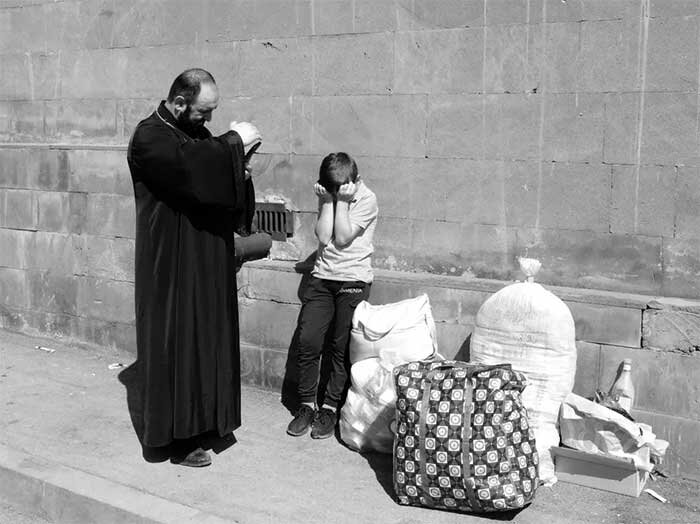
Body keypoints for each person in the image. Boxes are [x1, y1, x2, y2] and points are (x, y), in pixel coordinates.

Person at [126, 68, 261, 467]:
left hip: (207, 260)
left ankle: (208, 422)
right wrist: (234, 145)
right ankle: (177, 440)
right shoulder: (149, 136)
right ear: (180, 102)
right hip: (170, 264)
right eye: (204, 111)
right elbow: (191, 170)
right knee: (176, 344)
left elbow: (214, 172)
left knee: (208, 340)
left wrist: (241, 170)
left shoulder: (198, 135)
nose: (209, 120)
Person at [287, 152, 378, 439]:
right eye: (331, 189)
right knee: (308, 340)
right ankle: (305, 405)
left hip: (353, 279)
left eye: (341, 188)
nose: (337, 192)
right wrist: (327, 201)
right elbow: (324, 237)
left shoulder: (367, 198)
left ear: (356, 181)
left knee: (340, 348)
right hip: (322, 279)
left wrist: (341, 201)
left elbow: (342, 237)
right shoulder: (330, 192)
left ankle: (329, 408)